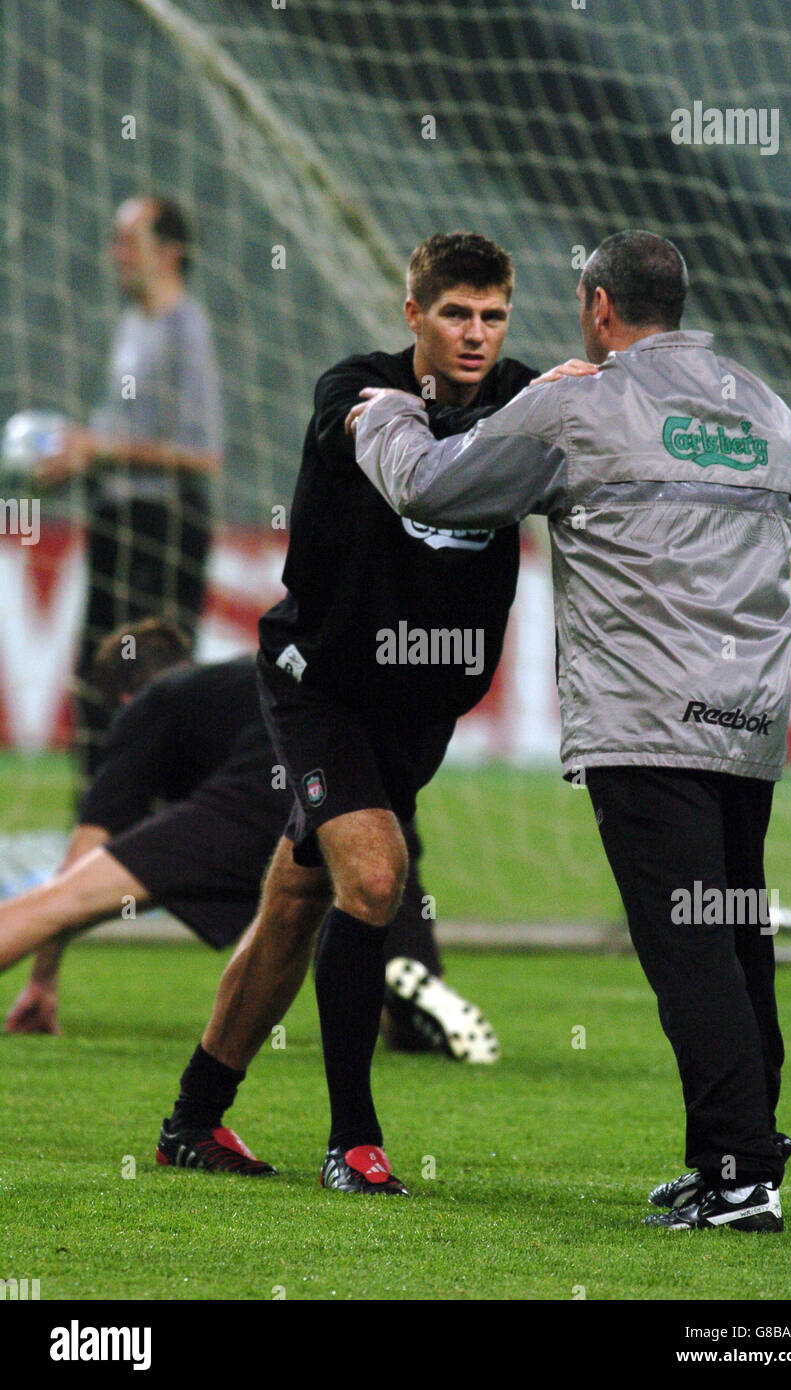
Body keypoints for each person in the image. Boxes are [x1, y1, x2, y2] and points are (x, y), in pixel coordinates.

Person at [353, 229, 791, 1231]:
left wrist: (385, 418)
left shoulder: (582, 401)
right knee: (735, 938)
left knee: (689, 949)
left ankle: (738, 1175)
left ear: (600, 308)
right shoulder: (767, 409)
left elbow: (434, 486)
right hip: (750, 721)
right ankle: (739, 1151)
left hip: (647, 723)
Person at [157, 232, 590, 1195]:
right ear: (413, 315)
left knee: (295, 902)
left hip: (417, 708)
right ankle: (351, 1143)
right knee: (374, 880)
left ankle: (192, 1120)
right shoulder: (356, 389)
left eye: (491, 315)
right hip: (322, 686)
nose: (475, 334)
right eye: (453, 314)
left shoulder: (528, 394)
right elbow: (382, 444)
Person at [1, 619, 494, 1080]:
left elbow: (87, 846)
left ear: (126, 696)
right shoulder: (244, 674)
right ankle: (406, 987)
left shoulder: (153, 701)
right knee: (376, 936)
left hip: (244, 807)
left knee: (56, 901)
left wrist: (43, 980)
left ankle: (213, 1089)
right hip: (347, 796)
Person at [37, 196, 223, 782]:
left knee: (151, 690)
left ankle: (163, 839)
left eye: (128, 241)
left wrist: (99, 449)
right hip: (115, 521)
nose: (115, 254)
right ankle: (97, 835)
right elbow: (119, 437)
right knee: (96, 687)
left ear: (168, 254)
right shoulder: (131, 326)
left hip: (163, 526)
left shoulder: (185, 329)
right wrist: (80, 454)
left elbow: (206, 453)